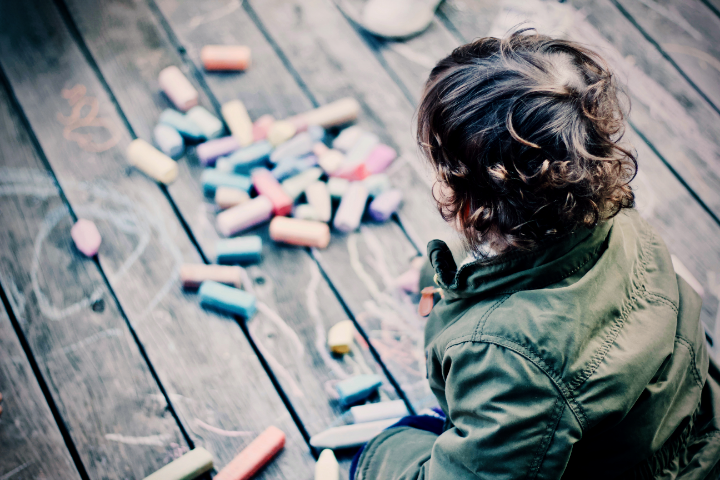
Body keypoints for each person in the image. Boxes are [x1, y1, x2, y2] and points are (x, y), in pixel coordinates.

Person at [351, 30, 720, 479]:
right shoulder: (614, 217)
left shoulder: (509, 365)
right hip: (683, 436)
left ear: (472, 203)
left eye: (441, 166)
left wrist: (380, 456)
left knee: (394, 441)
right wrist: (444, 278)